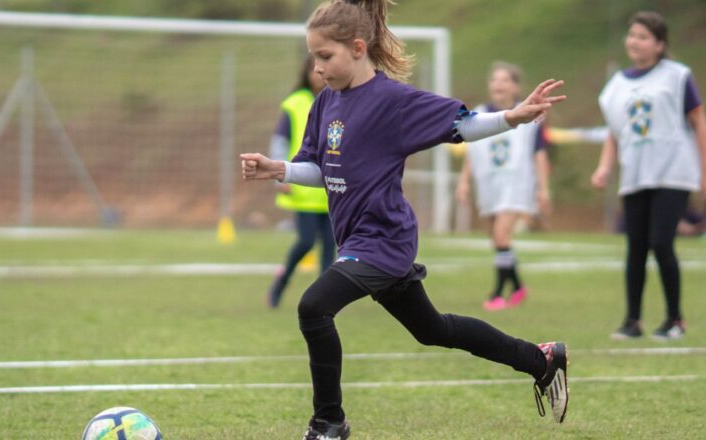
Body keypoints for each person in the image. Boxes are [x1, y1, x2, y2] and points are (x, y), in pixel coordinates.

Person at [240, 1, 569, 438]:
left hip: (384, 239)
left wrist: (512, 117)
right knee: (433, 329)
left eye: (325, 56)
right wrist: (278, 169)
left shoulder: (392, 101)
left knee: (314, 307)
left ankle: (328, 423)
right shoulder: (325, 103)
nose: (317, 68)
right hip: (357, 241)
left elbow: (463, 126)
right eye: (313, 57)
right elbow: (321, 169)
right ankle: (540, 360)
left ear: (358, 48)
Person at [593, 11, 706, 341]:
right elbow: (615, 133)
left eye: (643, 37)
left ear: (659, 44)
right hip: (635, 174)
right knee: (636, 248)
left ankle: (674, 320)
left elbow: (698, 120)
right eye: (632, 35)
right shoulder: (615, 87)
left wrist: (703, 168)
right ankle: (632, 321)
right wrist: (604, 167)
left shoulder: (677, 76)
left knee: (661, 242)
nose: (635, 41)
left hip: (673, 172)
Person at [456, 62, 551, 311]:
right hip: (489, 185)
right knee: (497, 239)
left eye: (505, 80)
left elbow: (539, 154)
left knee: (501, 235)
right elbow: (472, 152)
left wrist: (543, 189)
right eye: (494, 79)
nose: (498, 84)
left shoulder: (528, 115)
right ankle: (518, 287)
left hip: (516, 185)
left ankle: (497, 294)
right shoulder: (478, 114)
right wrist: (464, 181)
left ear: (516, 86)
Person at [268, 56, 336, 308]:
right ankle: (281, 281)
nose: (318, 73)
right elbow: (280, 141)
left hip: (331, 190)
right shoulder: (295, 103)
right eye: (313, 69)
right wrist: (280, 174)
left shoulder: (340, 99)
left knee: (329, 249)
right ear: (306, 73)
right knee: (306, 241)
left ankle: (324, 301)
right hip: (303, 189)